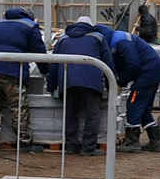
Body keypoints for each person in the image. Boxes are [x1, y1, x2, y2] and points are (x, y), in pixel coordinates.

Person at [0, 6, 48, 151]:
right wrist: (45, 71)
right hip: (13, 71)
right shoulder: (30, 26)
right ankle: (24, 142)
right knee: (18, 107)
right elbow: (39, 51)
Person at [48, 16, 113, 155]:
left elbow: (53, 62)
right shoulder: (98, 37)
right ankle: (88, 148)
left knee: (70, 114)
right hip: (90, 80)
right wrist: (111, 85)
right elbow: (108, 62)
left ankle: (71, 146)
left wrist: (51, 85)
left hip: (67, 80)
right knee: (92, 114)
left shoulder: (63, 38)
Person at [109, 24, 160, 153]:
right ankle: (155, 141)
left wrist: (120, 82)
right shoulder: (117, 39)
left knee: (134, 104)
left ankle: (132, 142)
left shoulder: (120, 42)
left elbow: (132, 64)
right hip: (153, 71)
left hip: (148, 73)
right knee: (144, 109)